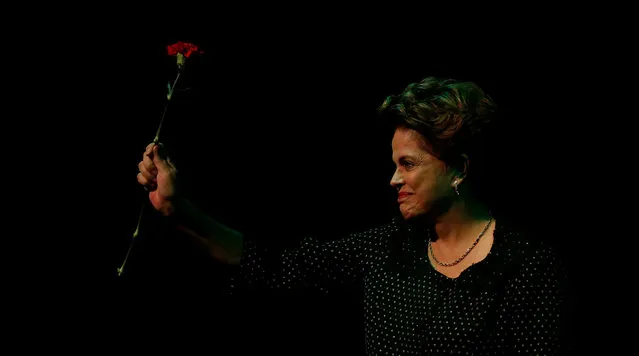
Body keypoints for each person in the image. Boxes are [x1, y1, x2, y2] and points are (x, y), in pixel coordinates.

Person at [136, 76, 572, 354]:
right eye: (394, 164)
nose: (392, 180)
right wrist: (180, 211)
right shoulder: (385, 249)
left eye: (409, 164)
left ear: (459, 167)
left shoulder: (527, 267)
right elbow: (270, 262)